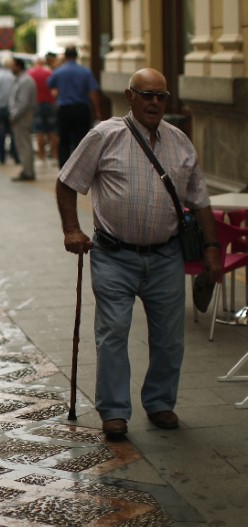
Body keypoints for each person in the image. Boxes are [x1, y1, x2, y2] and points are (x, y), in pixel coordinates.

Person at [56, 68, 221, 438]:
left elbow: (201, 201)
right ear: (130, 97)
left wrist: (212, 249)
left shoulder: (180, 142)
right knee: (113, 330)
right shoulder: (104, 135)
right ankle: (114, 410)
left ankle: (161, 403)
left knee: (169, 336)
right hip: (113, 253)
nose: (154, 102)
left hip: (166, 256)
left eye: (161, 96)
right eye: (146, 94)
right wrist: (71, 228)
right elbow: (68, 181)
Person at [48, 46, 101, 168]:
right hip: (81, 109)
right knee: (81, 141)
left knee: (64, 140)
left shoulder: (60, 71)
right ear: (76, 56)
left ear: (65, 56)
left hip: (64, 109)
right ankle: (80, 167)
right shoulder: (85, 71)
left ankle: (63, 168)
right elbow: (93, 91)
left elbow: (50, 83)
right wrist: (97, 110)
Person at [9, 57, 37, 181]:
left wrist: (14, 115)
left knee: (24, 144)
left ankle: (28, 171)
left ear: (18, 66)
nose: (11, 68)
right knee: (23, 144)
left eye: (13, 65)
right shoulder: (21, 80)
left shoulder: (25, 81)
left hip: (23, 116)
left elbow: (23, 102)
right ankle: (26, 169)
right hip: (22, 115)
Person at [28, 56, 59, 164]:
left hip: (37, 105)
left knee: (39, 131)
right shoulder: (49, 73)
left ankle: (42, 157)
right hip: (49, 104)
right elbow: (55, 89)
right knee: (52, 131)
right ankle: (55, 155)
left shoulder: (30, 73)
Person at [0, 58, 20, 166]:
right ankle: (15, 156)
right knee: (13, 132)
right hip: (11, 108)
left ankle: (1, 157)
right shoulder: (13, 77)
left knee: (1, 133)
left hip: (0, 107)